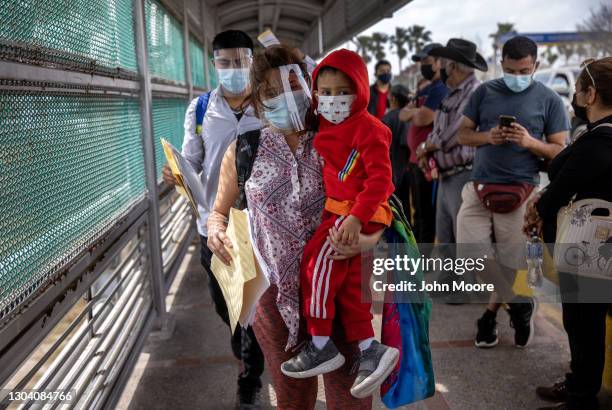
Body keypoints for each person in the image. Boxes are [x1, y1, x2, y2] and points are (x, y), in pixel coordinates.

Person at [208, 45, 384, 409]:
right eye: (271, 92)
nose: (285, 98)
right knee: (292, 394)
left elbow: (381, 197)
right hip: (274, 297)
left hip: (340, 282)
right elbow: (218, 212)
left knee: (350, 390)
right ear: (257, 98)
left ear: (310, 84)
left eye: (292, 84)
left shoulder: (343, 135)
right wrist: (216, 230)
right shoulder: (245, 149)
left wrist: (367, 240)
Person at [280, 49, 399, 399]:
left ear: (360, 89)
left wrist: (356, 218)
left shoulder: (369, 129)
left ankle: (320, 343)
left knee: (315, 265)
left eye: (341, 92)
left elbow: (381, 181)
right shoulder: (328, 125)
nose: (331, 100)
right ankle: (369, 349)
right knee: (349, 289)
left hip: (351, 214)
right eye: (325, 92)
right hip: (344, 212)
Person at [161, 30, 265, 408]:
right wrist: (175, 172)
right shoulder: (202, 108)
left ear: (252, 62)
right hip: (214, 224)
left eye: (240, 61)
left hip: (258, 225)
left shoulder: (269, 103)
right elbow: (192, 158)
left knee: (250, 305)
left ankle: (249, 381)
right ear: (215, 65)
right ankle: (243, 348)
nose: (233, 69)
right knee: (226, 305)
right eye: (225, 62)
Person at [456, 35, 569, 348]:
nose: (517, 78)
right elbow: (463, 135)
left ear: (536, 66)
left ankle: (490, 318)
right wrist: (488, 137)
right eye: (510, 70)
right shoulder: (484, 92)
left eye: (524, 71)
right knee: (470, 254)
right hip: (478, 186)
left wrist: (529, 142)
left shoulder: (549, 99)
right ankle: (519, 304)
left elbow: (560, 151)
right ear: (500, 64)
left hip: (521, 190)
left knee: (512, 263)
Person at [524, 57, 612, 410]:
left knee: (584, 321)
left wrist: (537, 209)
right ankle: (578, 384)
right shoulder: (594, 133)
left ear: (590, 94)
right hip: (595, 243)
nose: (574, 94)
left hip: (592, 244)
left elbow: (563, 184)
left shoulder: (600, 139)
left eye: (577, 88)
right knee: (585, 320)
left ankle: (581, 396)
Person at [415, 39, 487, 246]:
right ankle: (448, 278)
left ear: (453, 67)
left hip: (463, 175)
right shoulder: (452, 93)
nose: (441, 69)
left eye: (444, 64)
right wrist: (426, 151)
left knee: (463, 241)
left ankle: (465, 280)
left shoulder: (474, 92)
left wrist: (424, 148)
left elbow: (451, 134)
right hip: (446, 176)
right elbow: (438, 129)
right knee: (446, 237)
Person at [400, 43, 448, 243]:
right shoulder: (425, 89)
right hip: (415, 160)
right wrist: (415, 113)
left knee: (426, 214)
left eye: (426, 62)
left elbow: (423, 118)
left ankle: (424, 259)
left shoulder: (440, 89)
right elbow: (403, 115)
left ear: (439, 62)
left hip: (427, 162)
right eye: (421, 62)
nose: (423, 66)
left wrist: (415, 113)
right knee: (417, 212)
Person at [383, 84, 412, 213]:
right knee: (406, 207)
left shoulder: (385, 119)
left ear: (393, 99)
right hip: (408, 170)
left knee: (392, 209)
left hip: (390, 172)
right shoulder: (411, 118)